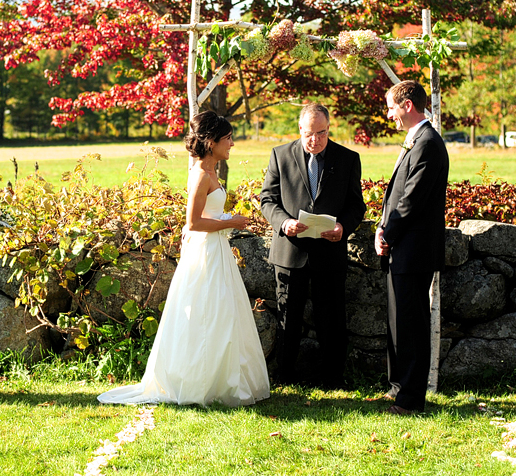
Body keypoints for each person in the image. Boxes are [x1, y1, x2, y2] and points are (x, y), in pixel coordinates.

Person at [99, 111, 270, 406]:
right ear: (212, 141)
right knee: (207, 313)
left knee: (222, 314)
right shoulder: (202, 174)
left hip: (215, 248)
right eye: (228, 139)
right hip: (207, 250)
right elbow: (193, 222)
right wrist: (231, 221)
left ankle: (222, 380)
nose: (232, 144)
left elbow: (204, 217)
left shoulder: (212, 170)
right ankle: (201, 382)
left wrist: (227, 218)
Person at [260, 104, 366, 388]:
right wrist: (284, 223)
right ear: (299, 130)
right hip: (290, 252)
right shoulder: (280, 156)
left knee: (331, 319)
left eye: (322, 133)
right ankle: (285, 377)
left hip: (330, 252)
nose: (316, 140)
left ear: (329, 129)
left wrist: (343, 227)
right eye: (310, 134)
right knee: (287, 319)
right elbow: (267, 201)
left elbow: (357, 205)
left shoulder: (348, 159)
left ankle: (333, 378)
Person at [375, 81, 448, 415]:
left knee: (411, 326)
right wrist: (381, 227)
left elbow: (411, 201)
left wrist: (387, 234)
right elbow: (396, 196)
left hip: (413, 250)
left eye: (391, 106)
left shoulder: (428, 143)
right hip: (402, 247)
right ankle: (398, 387)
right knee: (398, 322)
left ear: (407, 105)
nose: (389, 114)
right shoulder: (417, 140)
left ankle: (411, 398)